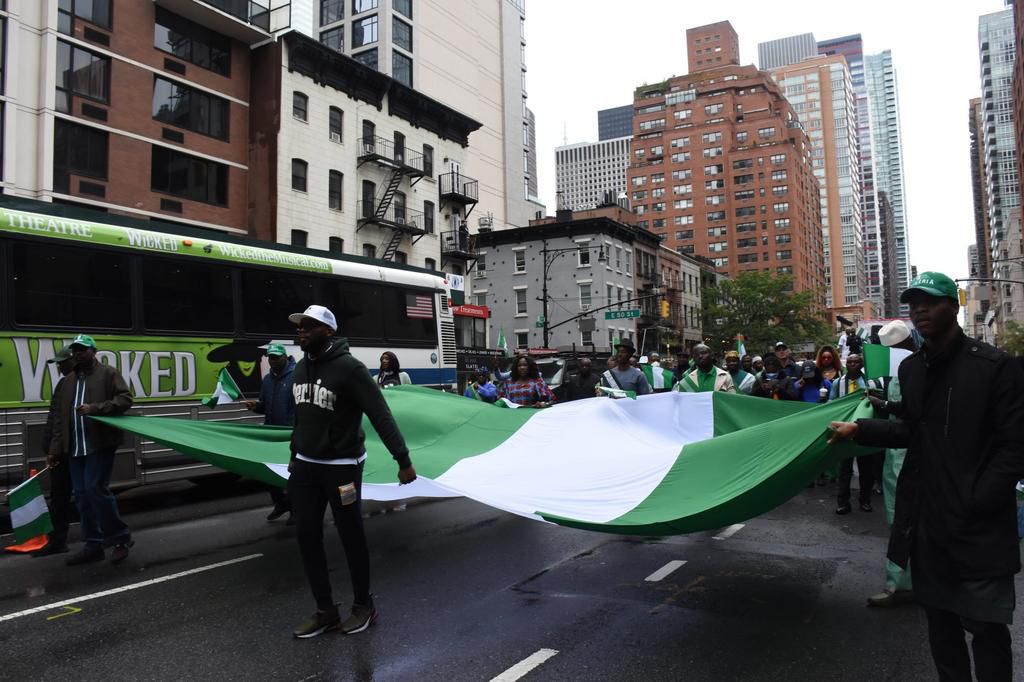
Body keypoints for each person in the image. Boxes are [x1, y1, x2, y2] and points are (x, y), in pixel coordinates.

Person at [830, 272, 1024, 681]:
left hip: (977, 527)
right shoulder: (913, 370)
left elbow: (1014, 448)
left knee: (987, 630)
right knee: (941, 630)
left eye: (930, 301)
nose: (920, 309)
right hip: (928, 525)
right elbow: (912, 431)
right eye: (914, 302)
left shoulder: (995, 368)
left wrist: (978, 500)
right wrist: (860, 429)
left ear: (953, 306)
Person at [286, 305, 417, 638]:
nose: (301, 331)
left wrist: (402, 459)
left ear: (328, 331)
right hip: (305, 466)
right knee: (306, 535)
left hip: (342, 468)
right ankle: (325, 611)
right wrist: (294, 452)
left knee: (350, 535)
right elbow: (301, 417)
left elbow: (380, 414)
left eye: (309, 327)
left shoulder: (350, 369)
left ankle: (363, 606)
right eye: (300, 326)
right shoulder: (301, 368)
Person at [49, 334, 134, 566]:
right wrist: (55, 450)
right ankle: (93, 545)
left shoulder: (108, 373)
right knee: (82, 496)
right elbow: (59, 420)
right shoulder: (67, 382)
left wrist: (95, 408)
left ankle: (120, 539)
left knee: (95, 489)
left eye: (83, 349)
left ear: (94, 351)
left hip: (100, 444)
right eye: (75, 350)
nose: (78, 353)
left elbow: (125, 399)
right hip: (75, 448)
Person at [863, 319, 916, 608]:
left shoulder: (916, 370)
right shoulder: (898, 373)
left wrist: (884, 406)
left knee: (903, 519)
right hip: (895, 452)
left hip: (908, 453)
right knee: (899, 518)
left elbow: (912, 412)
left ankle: (903, 585)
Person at [32, 346, 76, 558]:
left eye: (62, 362)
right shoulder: (65, 383)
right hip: (61, 448)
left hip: (65, 451)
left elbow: (60, 421)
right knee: (64, 496)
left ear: (72, 361)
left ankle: (58, 541)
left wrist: (54, 450)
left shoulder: (70, 383)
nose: (59, 366)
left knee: (61, 497)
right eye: (57, 362)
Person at [245, 343, 296, 523]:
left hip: (290, 434)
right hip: (271, 432)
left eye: (276, 357)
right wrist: (255, 406)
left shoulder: (296, 376)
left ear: (285, 357)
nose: (272, 360)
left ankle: (295, 511)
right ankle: (280, 503)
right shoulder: (267, 379)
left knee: (291, 473)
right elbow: (264, 405)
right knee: (269, 471)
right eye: (270, 357)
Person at [829, 353, 879, 515]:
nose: (852, 364)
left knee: (866, 468)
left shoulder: (870, 382)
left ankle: (865, 500)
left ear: (861, 364)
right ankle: (843, 503)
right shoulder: (838, 383)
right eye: (849, 361)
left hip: (864, 429)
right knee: (844, 469)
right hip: (844, 430)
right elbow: (831, 403)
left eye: (856, 361)